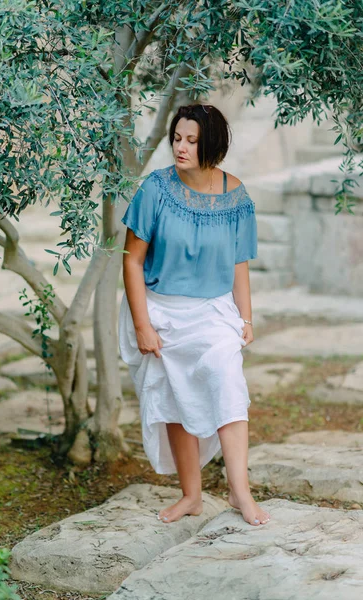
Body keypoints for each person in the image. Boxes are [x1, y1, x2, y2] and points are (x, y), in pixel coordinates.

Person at [118, 104, 270, 527]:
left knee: (228, 384)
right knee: (173, 400)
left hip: (213, 311)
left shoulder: (236, 195)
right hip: (161, 310)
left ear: (213, 145)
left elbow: (239, 264)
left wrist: (246, 319)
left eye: (191, 141)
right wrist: (142, 324)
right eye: (177, 138)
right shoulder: (154, 189)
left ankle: (241, 492)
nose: (180, 148)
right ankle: (192, 495)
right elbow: (131, 262)